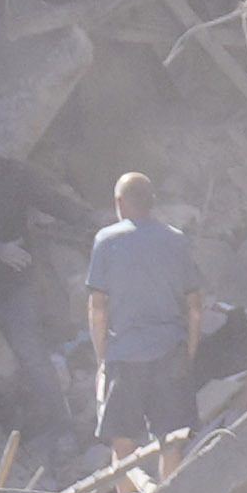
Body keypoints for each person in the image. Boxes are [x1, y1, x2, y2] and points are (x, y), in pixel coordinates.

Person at [86, 171, 199, 444]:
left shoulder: (106, 241)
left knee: (121, 441)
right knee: (172, 440)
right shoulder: (177, 240)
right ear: (152, 201)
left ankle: (127, 476)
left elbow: (98, 309)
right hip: (169, 353)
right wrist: (188, 353)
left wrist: (102, 360)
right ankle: (173, 476)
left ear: (120, 203)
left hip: (124, 357)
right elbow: (195, 308)